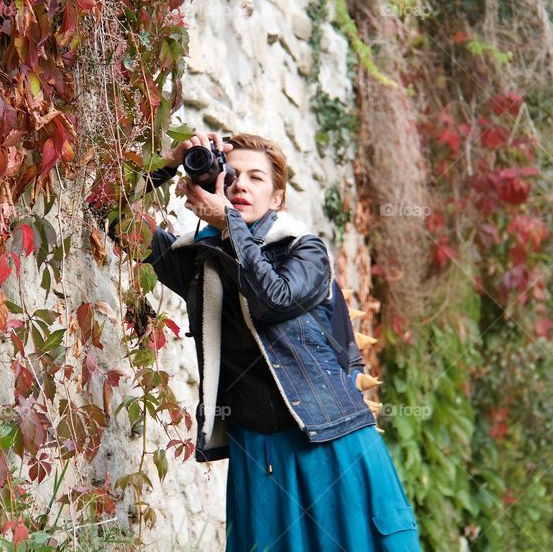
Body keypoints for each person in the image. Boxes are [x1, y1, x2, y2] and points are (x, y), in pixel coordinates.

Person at [142, 130, 421, 551]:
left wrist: (228, 224)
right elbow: (111, 214)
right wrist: (168, 161)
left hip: (332, 442)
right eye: (232, 175)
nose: (241, 185)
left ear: (276, 198)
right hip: (260, 453)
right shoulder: (200, 261)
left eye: (256, 178)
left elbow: (274, 298)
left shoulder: (305, 251)